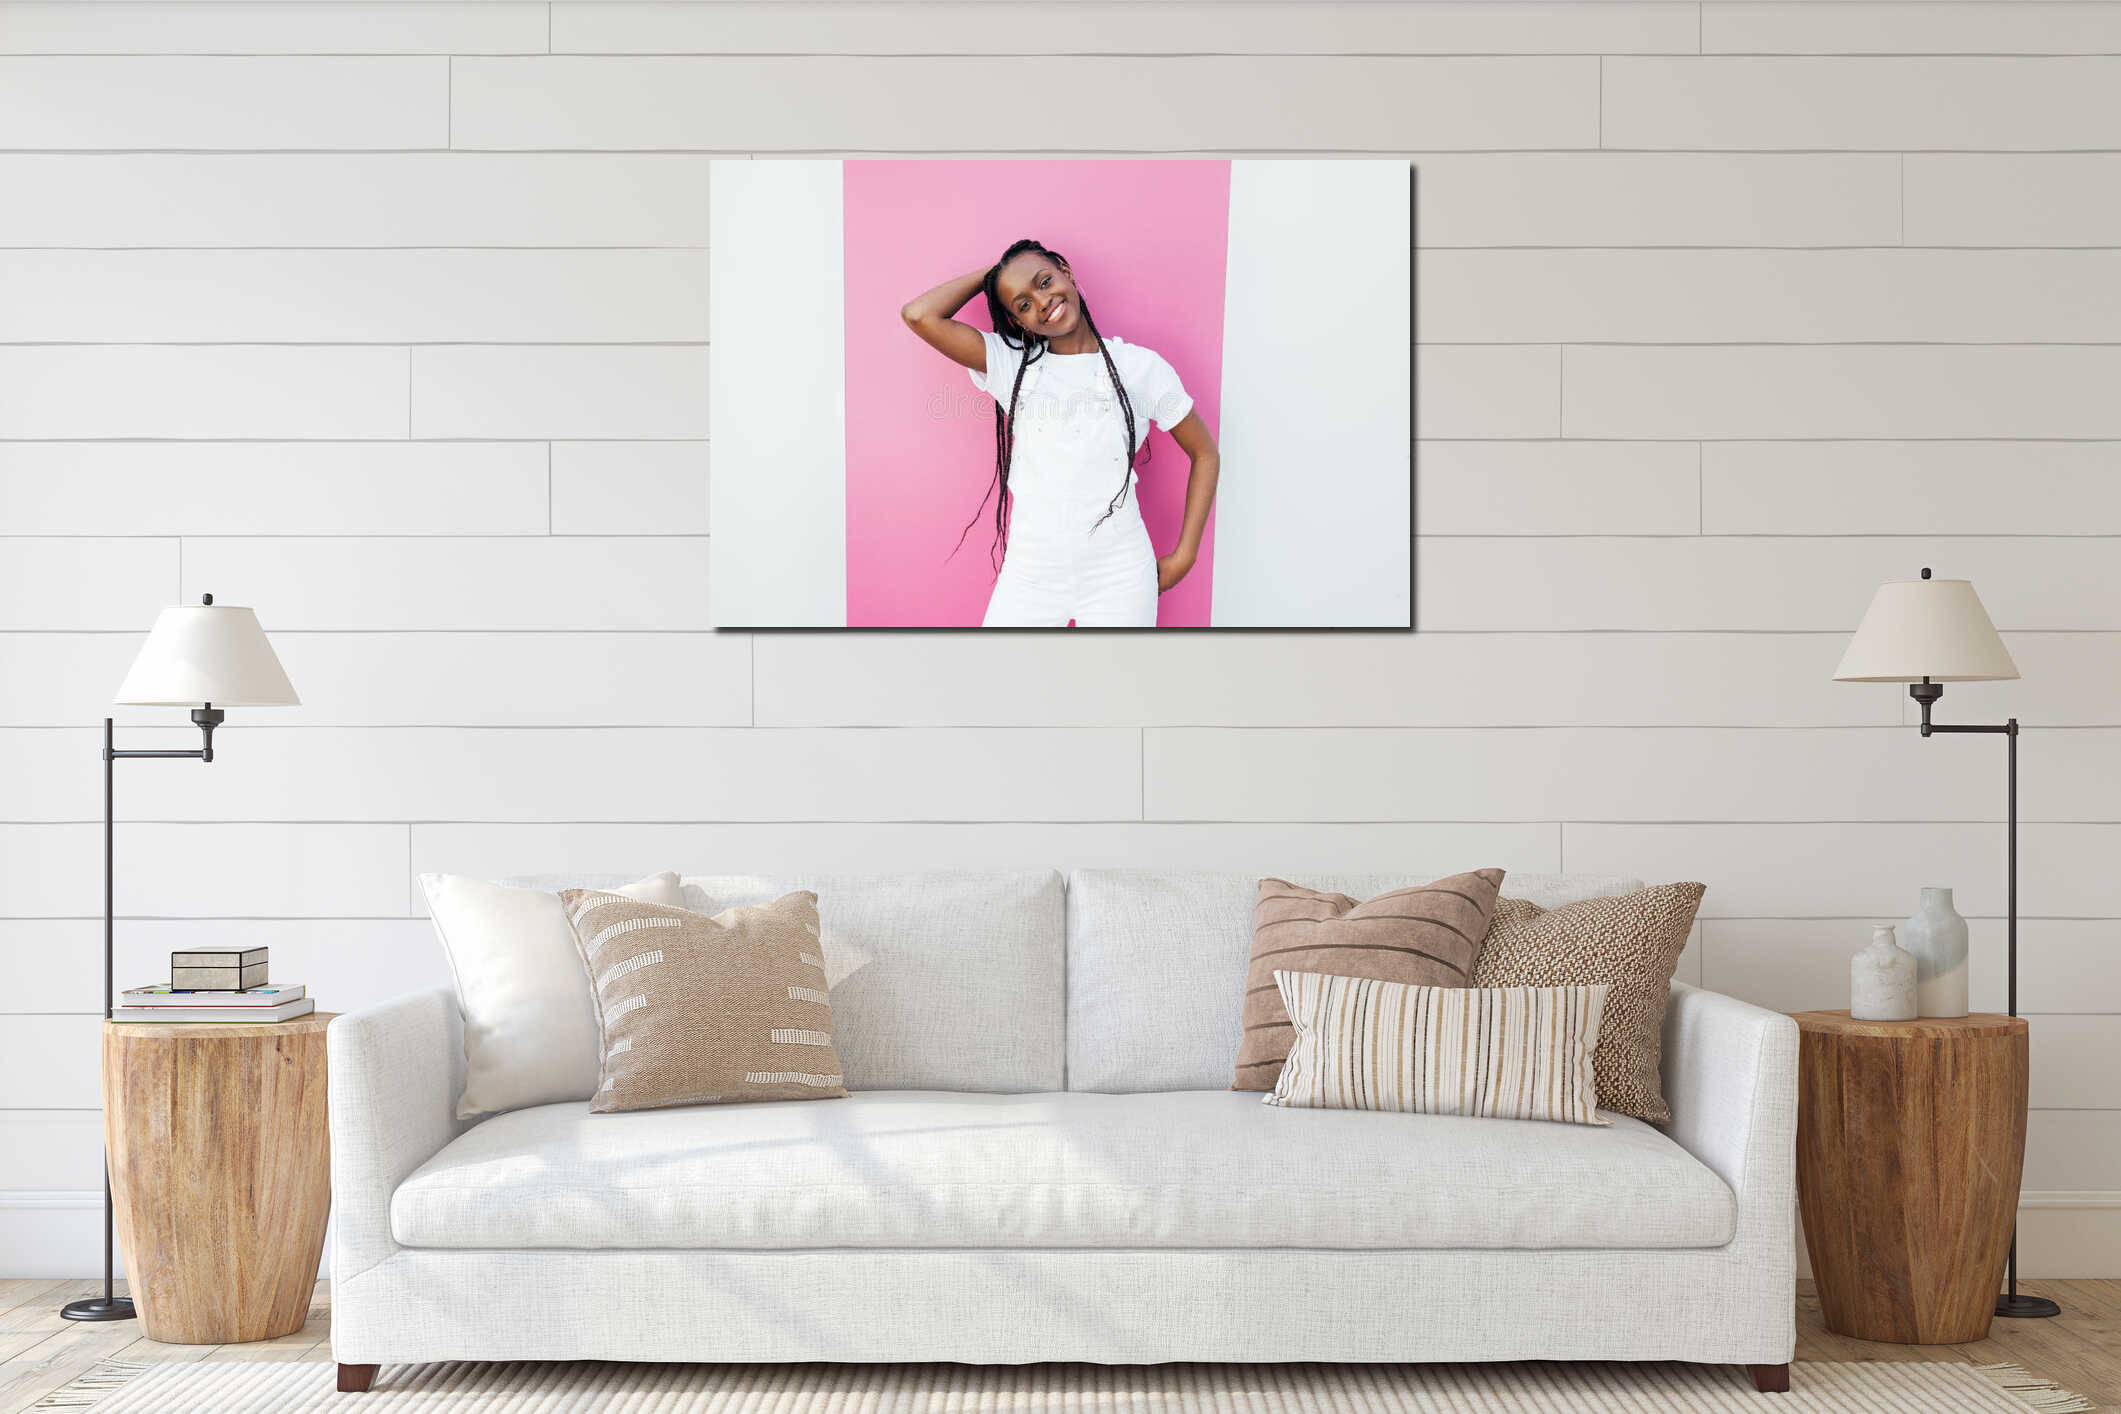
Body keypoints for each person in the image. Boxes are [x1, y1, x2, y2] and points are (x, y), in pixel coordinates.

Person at [901, 238, 1221, 628]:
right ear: (1019, 322)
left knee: (1114, 688)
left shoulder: (1141, 368)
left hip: (1119, 575)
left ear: (1065, 273)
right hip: (1030, 574)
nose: (1042, 302)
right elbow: (920, 315)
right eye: (1022, 304)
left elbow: (1205, 453)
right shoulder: (1011, 365)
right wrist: (993, 275)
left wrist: (1185, 556)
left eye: (1044, 281)